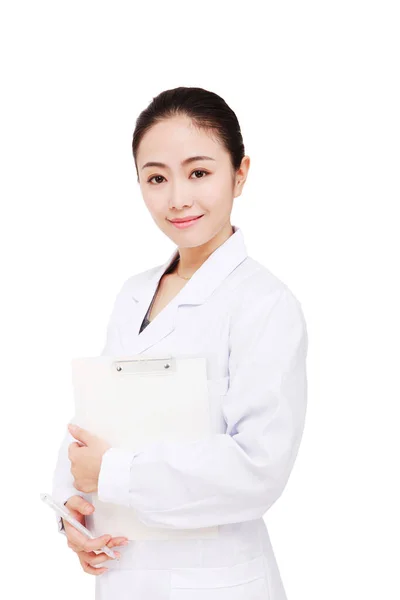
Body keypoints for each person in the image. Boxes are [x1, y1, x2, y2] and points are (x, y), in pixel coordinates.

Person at [51, 86, 309, 600]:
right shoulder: (133, 294)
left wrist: (113, 472)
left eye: (199, 172)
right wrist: (73, 508)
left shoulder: (266, 304)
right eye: (156, 178)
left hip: (217, 582)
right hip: (123, 570)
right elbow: (97, 419)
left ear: (240, 173)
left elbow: (258, 468)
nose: (178, 199)